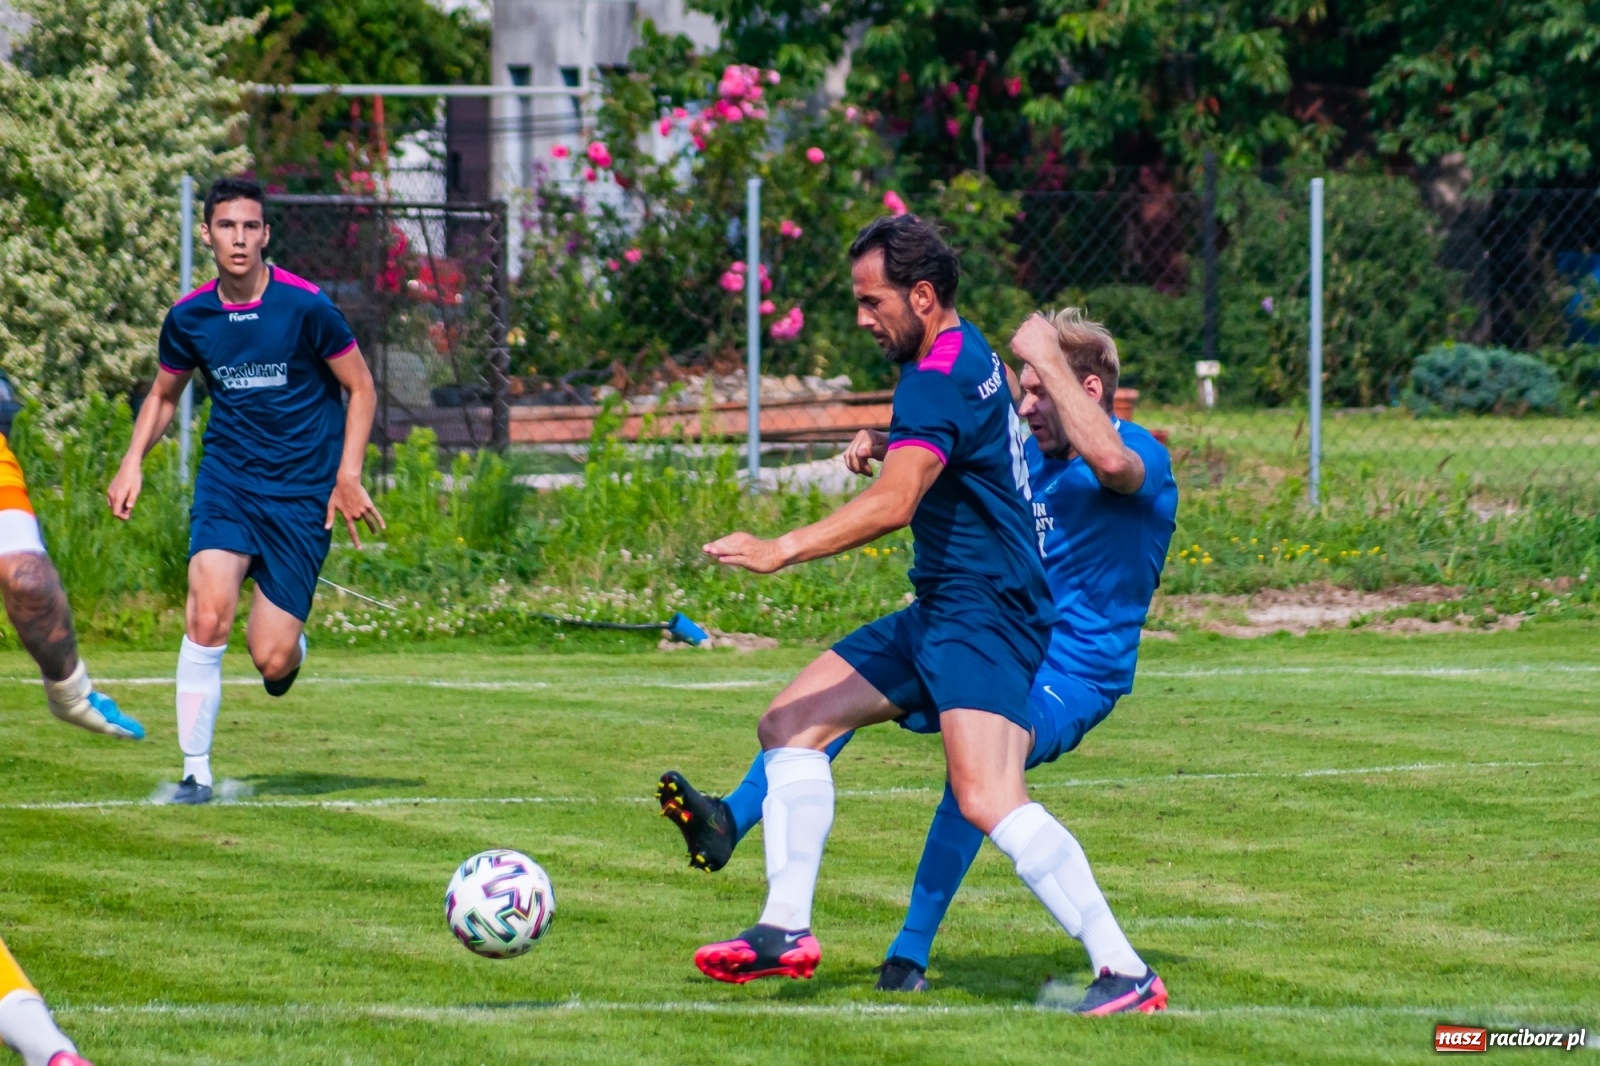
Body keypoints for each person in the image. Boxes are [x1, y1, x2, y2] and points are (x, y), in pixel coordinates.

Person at [687, 214, 1162, 1011]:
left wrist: (782, 547)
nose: (864, 320)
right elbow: (952, 458)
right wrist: (901, 439)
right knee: (789, 725)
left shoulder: (940, 375)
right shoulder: (962, 349)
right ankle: (784, 929)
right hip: (947, 604)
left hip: (986, 616)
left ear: (922, 294)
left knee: (986, 798)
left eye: (873, 304)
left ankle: (1125, 971)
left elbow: (898, 501)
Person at [106, 177, 384, 806]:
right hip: (228, 486)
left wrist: (348, 475)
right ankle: (195, 773)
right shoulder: (190, 317)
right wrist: (132, 461)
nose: (239, 238)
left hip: (300, 498)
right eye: (226, 226)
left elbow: (361, 388)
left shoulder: (307, 307)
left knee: (271, 659)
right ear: (207, 234)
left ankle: (291, 647)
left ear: (265, 235)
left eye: (250, 227)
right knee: (207, 617)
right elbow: (163, 395)